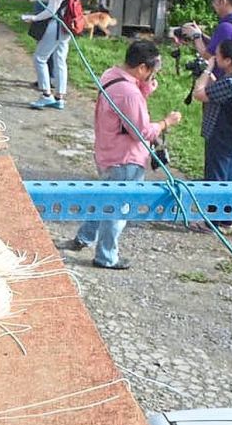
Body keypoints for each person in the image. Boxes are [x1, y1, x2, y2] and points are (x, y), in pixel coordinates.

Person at [69, 40, 182, 270]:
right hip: (125, 158)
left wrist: (145, 89)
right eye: (151, 70)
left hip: (107, 150)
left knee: (104, 197)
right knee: (118, 208)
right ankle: (106, 257)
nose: (152, 75)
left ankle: (85, 236)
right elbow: (141, 131)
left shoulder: (111, 75)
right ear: (141, 68)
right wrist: (166, 123)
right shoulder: (130, 93)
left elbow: (126, 110)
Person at [21, 0, 76, 109]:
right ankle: (60, 97)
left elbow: (51, 10)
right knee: (60, 60)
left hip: (55, 26)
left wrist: (33, 18)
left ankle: (46, 94)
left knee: (40, 58)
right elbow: (53, 0)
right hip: (66, 28)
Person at [192, 39, 232, 186]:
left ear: (228, 60)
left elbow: (198, 94)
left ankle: (215, 201)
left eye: (217, 55)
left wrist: (208, 70)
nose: (214, 58)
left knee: (216, 180)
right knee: (228, 177)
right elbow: (216, 89)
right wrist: (208, 75)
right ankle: (229, 201)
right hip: (230, 136)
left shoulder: (231, 83)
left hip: (221, 136)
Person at [182, 0, 232, 80]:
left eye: (214, 1)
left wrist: (196, 36)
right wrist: (201, 35)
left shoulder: (226, 27)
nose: (213, 5)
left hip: (221, 81)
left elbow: (208, 56)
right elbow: (222, 47)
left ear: (223, 2)